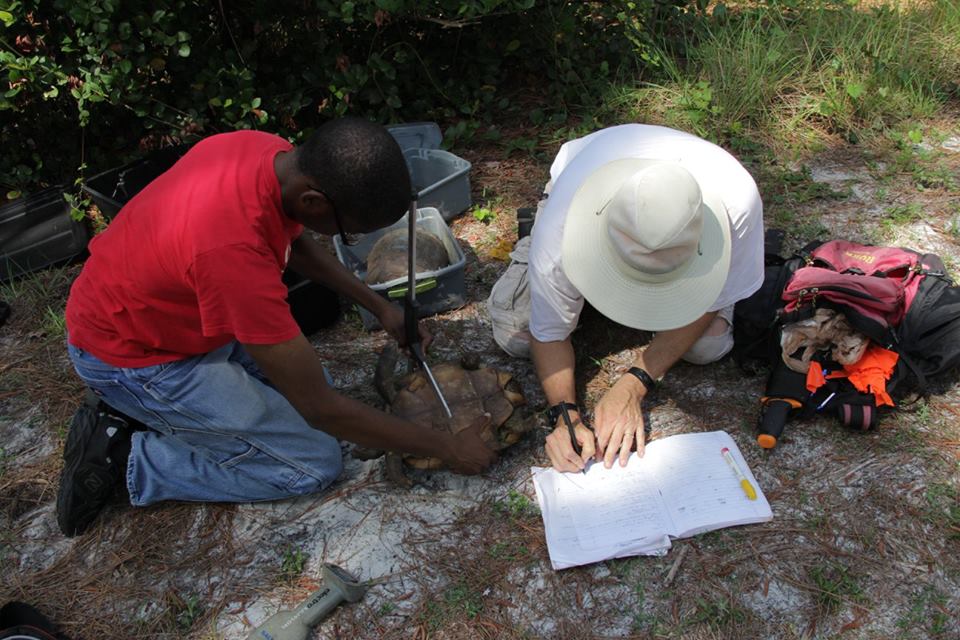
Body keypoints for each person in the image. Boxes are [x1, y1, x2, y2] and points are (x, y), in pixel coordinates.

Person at [59, 117, 497, 536]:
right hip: (137, 357)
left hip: (177, 318)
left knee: (312, 384)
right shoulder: (232, 255)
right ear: (313, 201)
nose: (344, 240)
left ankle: (158, 415)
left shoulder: (265, 152)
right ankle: (128, 457)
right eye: (349, 234)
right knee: (310, 463)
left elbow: (295, 243)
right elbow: (320, 409)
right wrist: (446, 447)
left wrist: (381, 307)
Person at [488, 124, 764, 473]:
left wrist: (635, 383)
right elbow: (549, 333)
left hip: (717, 219)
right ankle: (536, 257)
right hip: (567, 196)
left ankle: (594, 300)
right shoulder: (563, 226)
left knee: (708, 347)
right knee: (516, 333)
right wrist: (564, 416)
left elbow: (708, 305)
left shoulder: (737, 203)